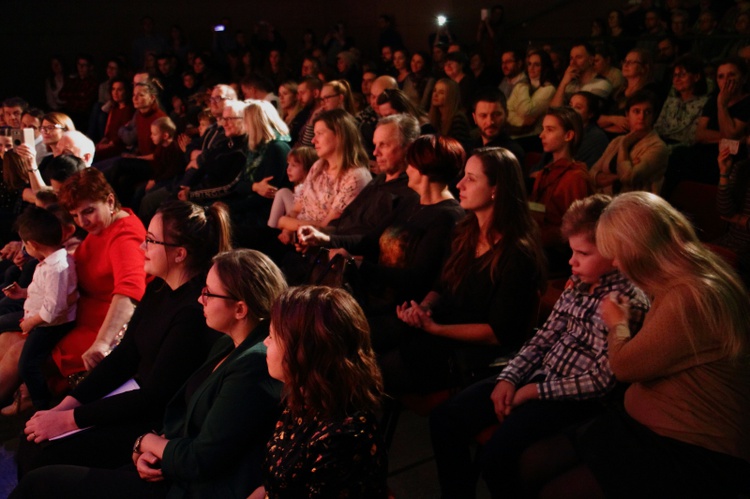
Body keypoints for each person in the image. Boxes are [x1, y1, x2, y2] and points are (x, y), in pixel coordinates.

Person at [522, 192, 750, 498]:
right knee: (531, 462)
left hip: (690, 446)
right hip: (646, 424)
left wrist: (618, 322)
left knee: (553, 489)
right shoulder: (684, 270)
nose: (614, 262)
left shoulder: (690, 295)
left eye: (617, 253)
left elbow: (623, 366)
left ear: (639, 248)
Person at [12, 249, 288, 499]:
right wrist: (143, 449)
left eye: (209, 293)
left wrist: (146, 441)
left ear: (240, 309)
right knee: (41, 469)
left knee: (42, 483)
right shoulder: (227, 341)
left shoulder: (253, 366)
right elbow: (184, 416)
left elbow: (201, 459)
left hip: (187, 487)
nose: (200, 298)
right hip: (167, 462)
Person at [429, 194, 650, 499]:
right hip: (540, 376)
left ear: (616, 253)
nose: (571, 262)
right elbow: (544, 336)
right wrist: (510, 377)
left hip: (574, 398)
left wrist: (531, 391)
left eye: (582, 253)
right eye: (571, 251)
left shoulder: (628, 303)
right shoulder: (581, 281)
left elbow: (602, 381)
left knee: (497, 458)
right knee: (445, 419)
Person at [16, 200, 231, 474]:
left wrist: (70, 420)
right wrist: (66, 406)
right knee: (33, 439)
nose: (142, 248)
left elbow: (154, 397)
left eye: (151, 241)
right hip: (130, 398)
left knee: (44, 458)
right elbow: (125, 355)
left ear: (179, 254)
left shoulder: (192, 312)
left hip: (151, 421)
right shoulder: (159, 289)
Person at [380, 147, 546, 394]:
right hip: (439, 331)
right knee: (363, 343)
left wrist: (436, 328)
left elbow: (497, 333)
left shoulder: (517, 255)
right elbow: (441, 284)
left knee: (372, 371)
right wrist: (424, 308)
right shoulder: (464, 231)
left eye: (471, 178)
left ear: (495, 190)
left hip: (468, 355)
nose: (459, 184)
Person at [252, 286, 388, 498]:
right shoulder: (306, 397)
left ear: (304, 351)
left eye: (272, 336)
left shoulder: (342, 440)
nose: (265, 342)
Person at [336, 135, 465, 317]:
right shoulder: (411, 201)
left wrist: (357, 265)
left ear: (423, 169)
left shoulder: (448, 216)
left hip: (402, 311)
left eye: (411, 164)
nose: (407, 169)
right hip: (375, 299)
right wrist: (325, 239)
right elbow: (369, 241)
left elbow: (417, 278)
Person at [54, 168, 147, 377]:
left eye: (88, 211)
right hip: (80, 314)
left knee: (21, 349)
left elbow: (130, 293)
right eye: (75, 215)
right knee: (10, 339)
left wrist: (103, 342)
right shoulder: (103, 226)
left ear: (110, 201)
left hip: (103, 326)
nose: (82, 222)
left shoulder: (124, 235)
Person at [3, 207, 77, 411]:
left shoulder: (56, 268)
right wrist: (23, 293)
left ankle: (40, 404)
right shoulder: (49, 262)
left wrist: (30, 322)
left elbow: (54, 309)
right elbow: (47, 293)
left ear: (33, 244)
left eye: (25, 245)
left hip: (51, 326)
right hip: (43, 321)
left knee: (27, 365)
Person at [277, 109, 371, 237]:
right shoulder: (318, 166)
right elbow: (297, 209)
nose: (313, 140)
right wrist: (287, 230)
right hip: (300, 237)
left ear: (340, 135)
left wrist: (285, 222)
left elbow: (327, 227)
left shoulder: (355, 176)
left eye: (320, 133)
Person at [664, 57, 750, 196]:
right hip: (706, 150)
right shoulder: (713, 100)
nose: (726, 80)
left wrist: (722, 105)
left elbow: (730, 135)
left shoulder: (746, 102)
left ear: (744, 78)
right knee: (677, 157)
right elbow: (700, 134)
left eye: (732, 75)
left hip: (730, 156)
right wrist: (732, 138)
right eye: (721, 76)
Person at [530, 107, 593, 266]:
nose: (541, 135)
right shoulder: (544, 172)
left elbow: (577, 228)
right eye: (543, 129)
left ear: (569, 135)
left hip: (558, 255)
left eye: (549, 130)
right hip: (538, 243)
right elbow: (537, 210)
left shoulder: (575, 178)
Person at [590, 91, 669, 194]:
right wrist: (617, 176)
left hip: (633, 205)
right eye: (636, 111)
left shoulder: (658, 147)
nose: (641, 117)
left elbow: (627, 178)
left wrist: (624, 147)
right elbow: (592, 173)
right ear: (627, 114)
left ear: (653, 117)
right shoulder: (617, 141)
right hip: (604, 198)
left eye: (647, 112)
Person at [598, 48, 658, 134]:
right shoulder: (618, 91)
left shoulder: (649, 91)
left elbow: (631, 126)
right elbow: (598, 119)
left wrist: (606, 125)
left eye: (631, 62)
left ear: (644, 68)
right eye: (625, 61)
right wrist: (613, 119)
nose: (626, 65)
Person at [654, 55, 710, 147]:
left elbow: (692, 137)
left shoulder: (705, 103)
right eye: (675, 75)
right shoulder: (671, 100)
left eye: (683, 75)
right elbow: (658, 126)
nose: (677, 79)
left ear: (696, 77)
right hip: (661, 144)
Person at [506, 49, 557, 145]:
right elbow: (507, 111)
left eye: (536, 65)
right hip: (515, 133)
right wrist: (521, 122)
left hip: (533, 137)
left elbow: (526, 111)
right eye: (529, 64)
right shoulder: (521, 85)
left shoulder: (549, 89)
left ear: (544, 67)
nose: (531, 68)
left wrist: (523, 86)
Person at [470, 89, 525, 163]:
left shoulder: (511, 153)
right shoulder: (472, 147)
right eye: (483, 116)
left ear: (506, 114)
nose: (490, 122)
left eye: (496, 115)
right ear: (474, 118)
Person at [550, 42, 613, 107]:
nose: (573, 62)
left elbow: (586, 113)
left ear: (591, 60)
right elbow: (554, 109)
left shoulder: (602, 84)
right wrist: (563, 83)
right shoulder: (570, 85)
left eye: (578, 57)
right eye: (571, 58)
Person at [268, 146, 317, 229]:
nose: (288, 169)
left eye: (294, 165)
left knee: (283, 192)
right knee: (283, 191)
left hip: (303, 222)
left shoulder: (308, 188)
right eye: (288, 164)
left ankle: (271, 230)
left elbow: (298, 212)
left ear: (308, 168)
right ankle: (271, 228)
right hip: (295, 219)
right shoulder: (299, 187)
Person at [94, 78, 135, 161]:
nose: (115, 93)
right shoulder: (114, 109)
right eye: (113, 89)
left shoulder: (129, 110)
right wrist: (102, 142)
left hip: (119, 147)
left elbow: (122, 136)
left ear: (126, 91)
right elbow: (109, 132)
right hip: (109, 144)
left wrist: (107, 145)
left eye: (119, 90)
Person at [428, 78, 471, 150]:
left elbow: (460, 148)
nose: (435, 95)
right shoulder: (437, 117)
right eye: (434, 91)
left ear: (450, 96)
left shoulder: (457, 119)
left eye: (441, 92)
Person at [569, 91, 609, 169]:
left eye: (578, 107)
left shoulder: (596, 137)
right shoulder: (566, 129)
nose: (571, 111)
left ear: (590, 114)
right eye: (570, 105)